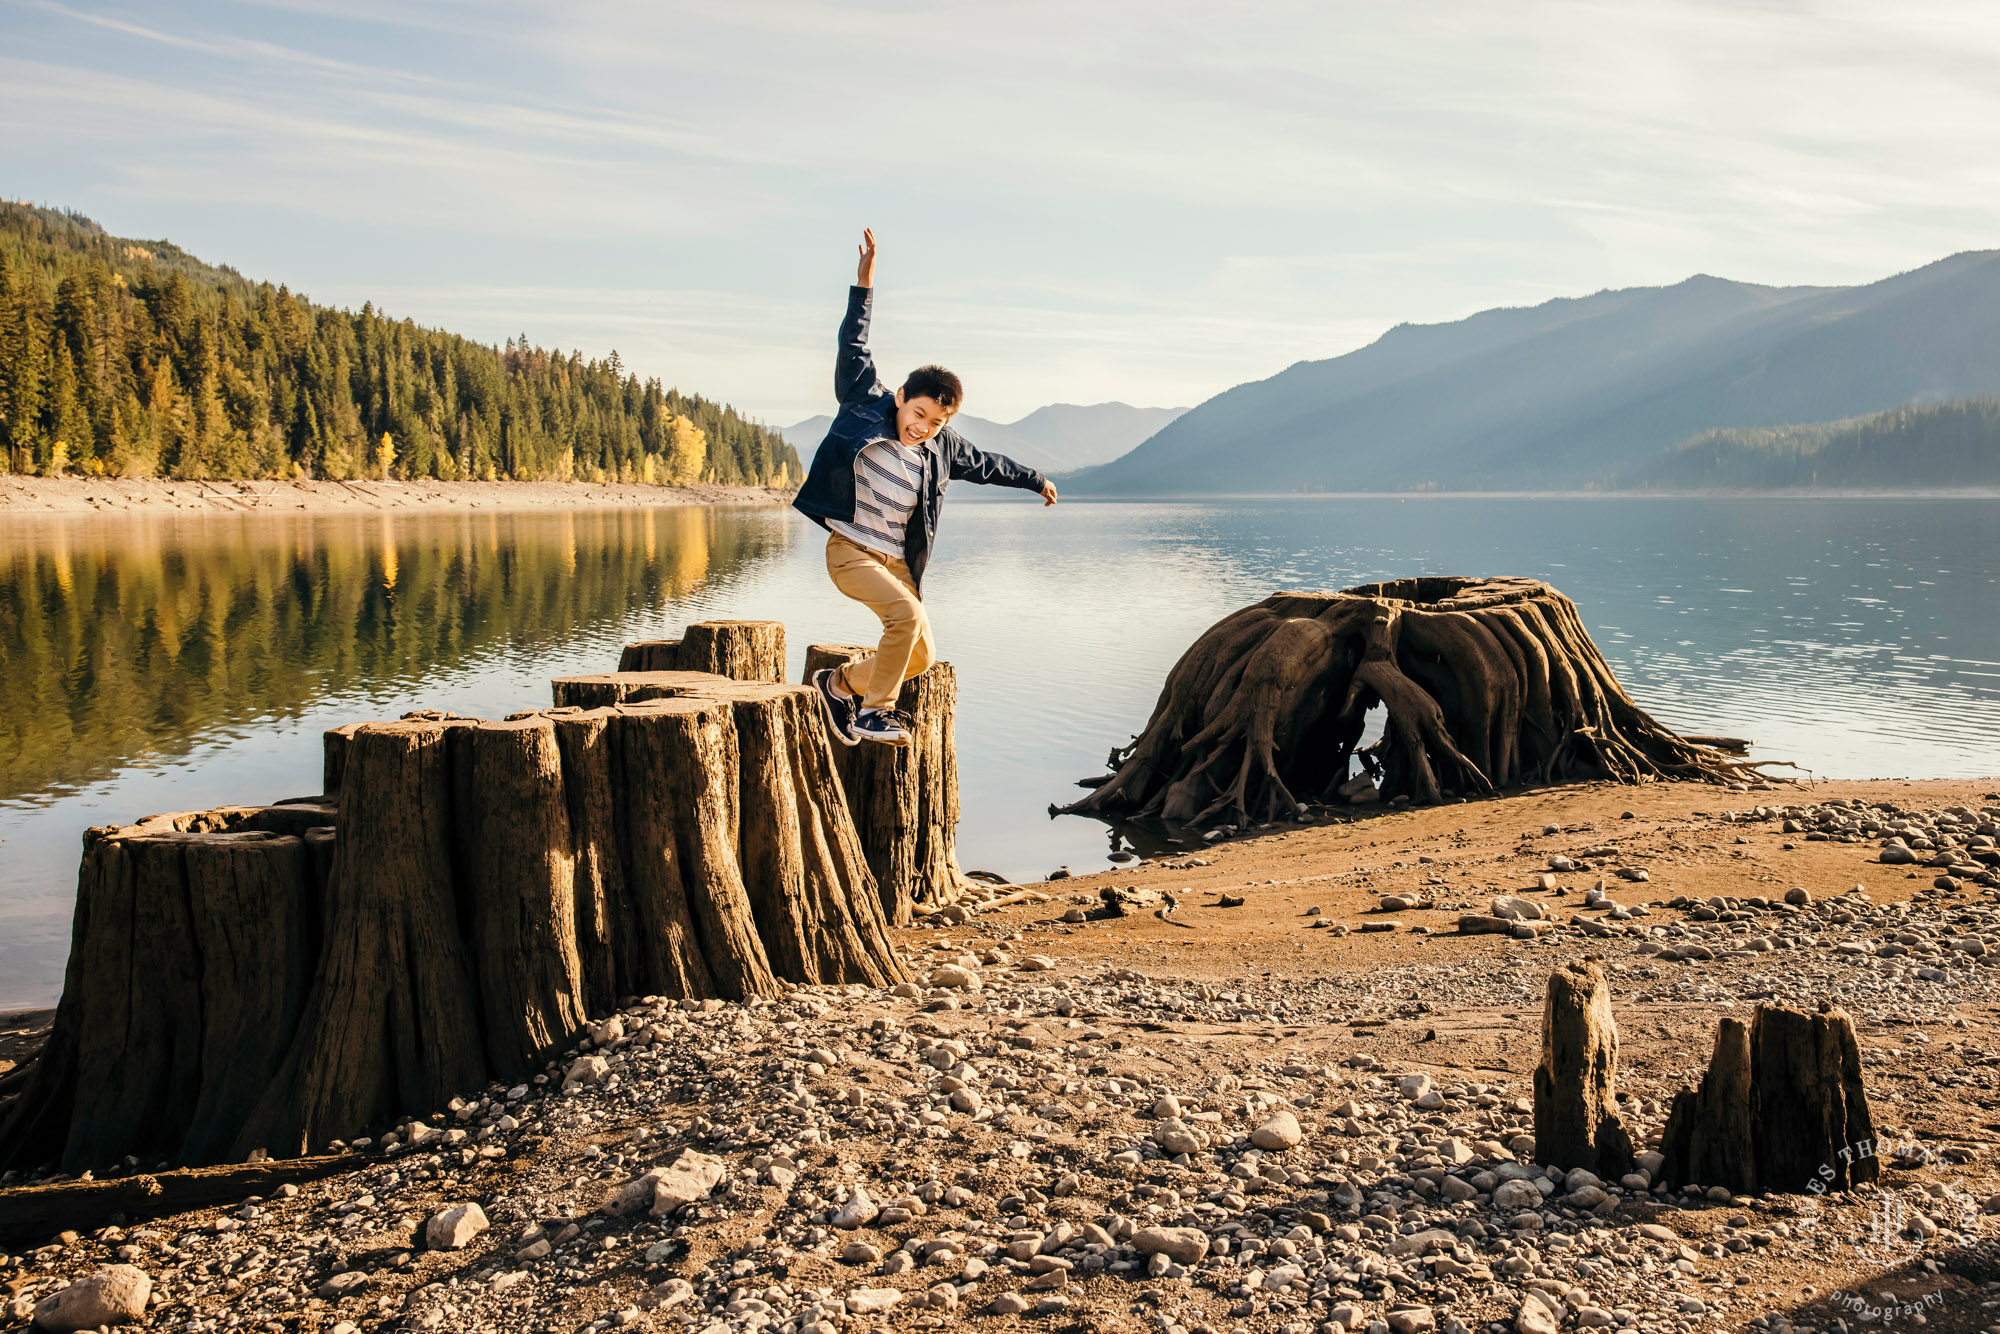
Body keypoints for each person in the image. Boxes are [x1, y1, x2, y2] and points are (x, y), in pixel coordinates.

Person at [793, 228, 1058, 745]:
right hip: (851, 551)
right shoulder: (863, 403)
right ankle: (874, 712)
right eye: (918, 414)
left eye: (936, 421)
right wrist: (864, 284)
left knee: (920, 654)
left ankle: (838, 684)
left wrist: (1036, 480)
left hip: (897, 562)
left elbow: (988, 463)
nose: (923, 427)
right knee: (906, 616)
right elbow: (854, 342)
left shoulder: (942, 448)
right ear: (900, 398)